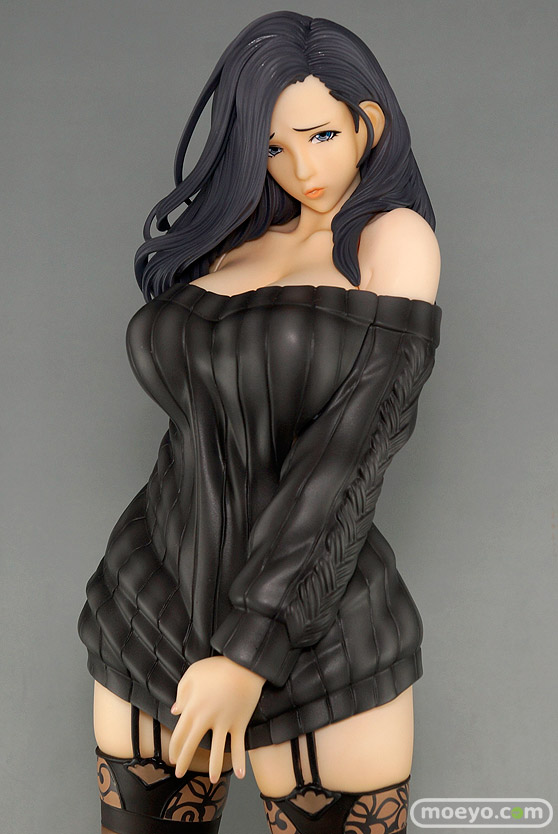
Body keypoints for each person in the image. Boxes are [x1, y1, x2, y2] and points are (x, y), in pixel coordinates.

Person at [78, 11, 442, 834]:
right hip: (147, 605)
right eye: (275, 148)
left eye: (321, 136)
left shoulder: (394, 239)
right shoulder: (228, 244)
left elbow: (353, 451)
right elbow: (194, 436)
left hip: (317, 630)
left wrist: (251, 648)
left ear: (368, 120)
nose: (302, 169)